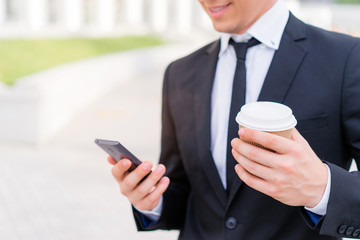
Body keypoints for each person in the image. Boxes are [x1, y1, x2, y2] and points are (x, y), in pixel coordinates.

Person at [108, 0, 360, 239]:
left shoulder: (347, 58)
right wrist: (152, 200)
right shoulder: (180, 72)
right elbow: (185, 192)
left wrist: (322, 189)